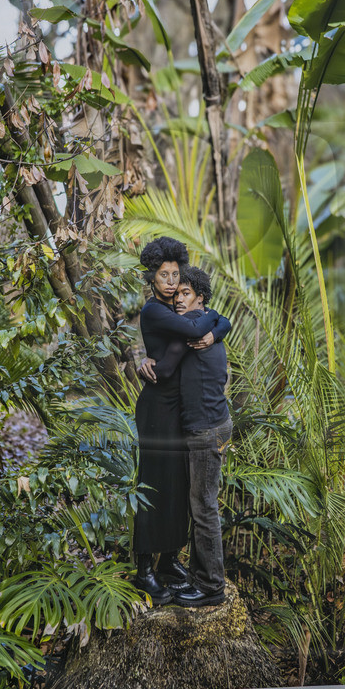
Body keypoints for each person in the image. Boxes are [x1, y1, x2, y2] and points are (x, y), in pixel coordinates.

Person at [132, 237, 229, 606]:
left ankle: (170, 561)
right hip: (157, 408)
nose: (171, 282)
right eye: (164, 275)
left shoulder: (181, 308)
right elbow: (194, 328)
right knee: (154, 486)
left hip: (180, 410)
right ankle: (144, 570)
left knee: (178, 488)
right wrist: (214, 321)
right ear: (152, 279)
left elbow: (214, 320)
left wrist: (217, 324)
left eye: (176, 275)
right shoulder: (155, 311)